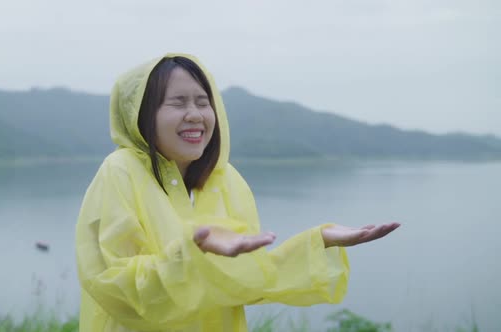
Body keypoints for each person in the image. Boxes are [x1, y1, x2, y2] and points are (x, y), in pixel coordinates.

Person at [75, 53, 400, 332]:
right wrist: (194, 256)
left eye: (204, 102)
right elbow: (113, 284)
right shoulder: (119, 171)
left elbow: (243, 283)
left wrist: (319, 241)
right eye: (177, 102)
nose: (195, 114)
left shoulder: (226, 181)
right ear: (141, 115)